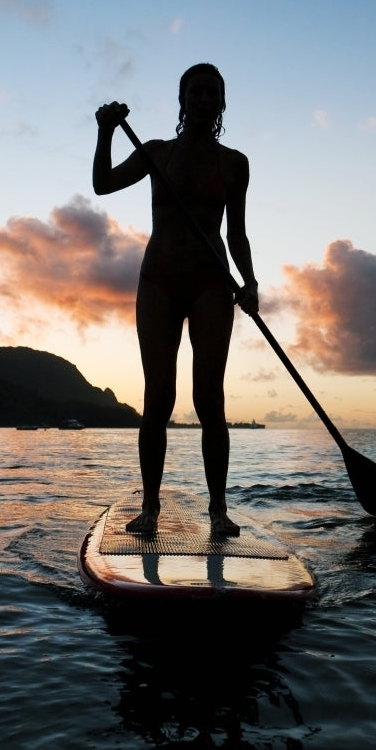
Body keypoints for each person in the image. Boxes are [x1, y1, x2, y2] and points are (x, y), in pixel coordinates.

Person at [93, 64, 259, 537]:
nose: (205, 99)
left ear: (222, 103)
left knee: (210, 399)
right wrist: (105, 131)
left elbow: (238, 233)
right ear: (182, 101)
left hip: (211, 284)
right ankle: (150, 509)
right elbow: (103, 184)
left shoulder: (235, 163)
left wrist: (249, 283)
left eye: (213, 93)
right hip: (159, 283)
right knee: (158, 398)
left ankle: (218, 511)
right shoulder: (155, 154)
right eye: (196, 92)